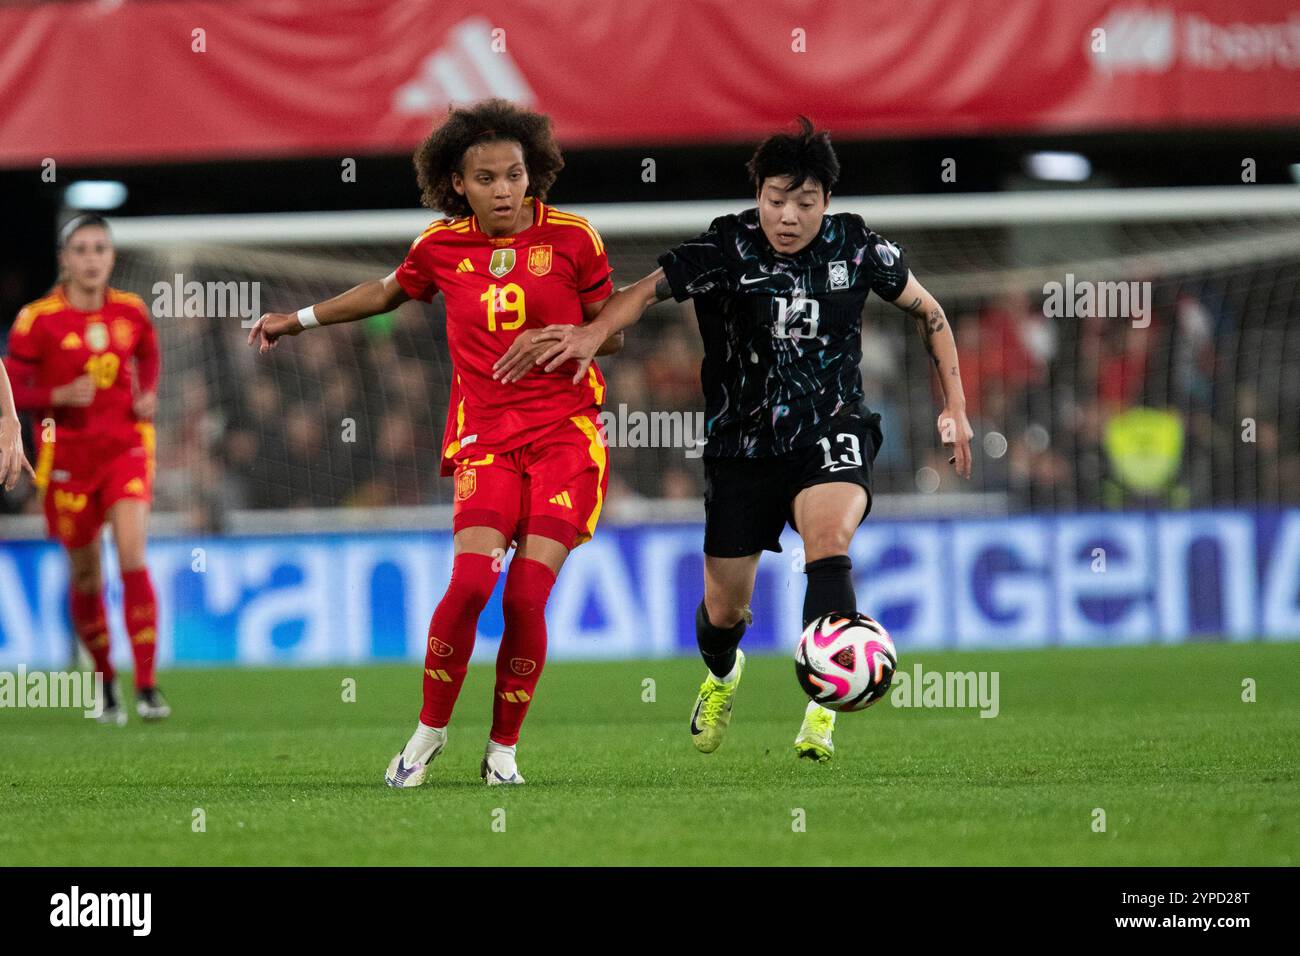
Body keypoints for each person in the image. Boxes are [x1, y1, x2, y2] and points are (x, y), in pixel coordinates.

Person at [496, 117, 973, 762]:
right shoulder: (727, 246)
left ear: (826, 202)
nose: (788, 217)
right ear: (758, 194)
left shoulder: (857, 247)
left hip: (829, 427)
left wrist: (956, 406)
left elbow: (930, 312)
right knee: (723, 614)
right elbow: (642, 293)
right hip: (741, 448)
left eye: (804, 204)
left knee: (828, 542)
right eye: (776, 200)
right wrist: (589, 334)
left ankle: (823, 703)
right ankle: (723, 675)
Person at [249, 99, 622, 787]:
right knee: (472, 584)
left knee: (525, 599)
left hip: (566, 435)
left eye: (515, 175)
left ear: (532, 173)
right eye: (486, 178)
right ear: (457, 183)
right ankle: (427, 735)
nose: (505, 190)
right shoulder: (439, 247)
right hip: (485, 438)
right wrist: (294, 321)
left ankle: (503, 751)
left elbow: (613, 328)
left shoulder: (574, 239)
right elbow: (386, 293)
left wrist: (575, 336)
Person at [3, 214, 167, 725]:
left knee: (132, 557)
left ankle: (146, 686)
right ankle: (106, 684)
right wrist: (54, 396)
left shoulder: (132, 312)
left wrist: (148, 393)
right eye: (81, 249)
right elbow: (12, 387)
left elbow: (150, 353)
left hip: (125, 449)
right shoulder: (37, 320)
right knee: (86, 573)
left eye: (100, 248)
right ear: (64, 259)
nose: (92, 258)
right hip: (64, 456)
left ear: (112, 257)